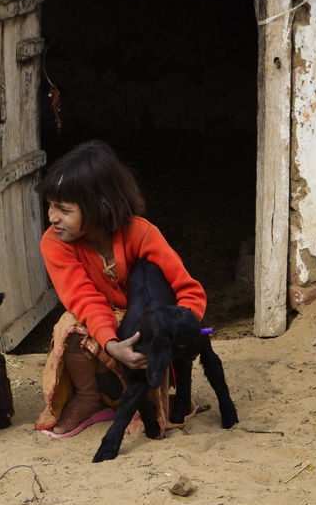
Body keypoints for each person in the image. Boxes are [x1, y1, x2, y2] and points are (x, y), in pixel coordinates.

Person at [33, 140, 207, 437]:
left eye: (63, 209)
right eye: (50, 205)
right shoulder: (54, 243)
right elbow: (85, 301)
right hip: (107, 342)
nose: (51, 217)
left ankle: (142, 404)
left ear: (99, 206)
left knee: (149, 324)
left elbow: (190, 293)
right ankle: (88, 398)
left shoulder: (141, 233)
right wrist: (113, 345)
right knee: (70, 323)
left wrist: (167, 337)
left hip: (145, 353)